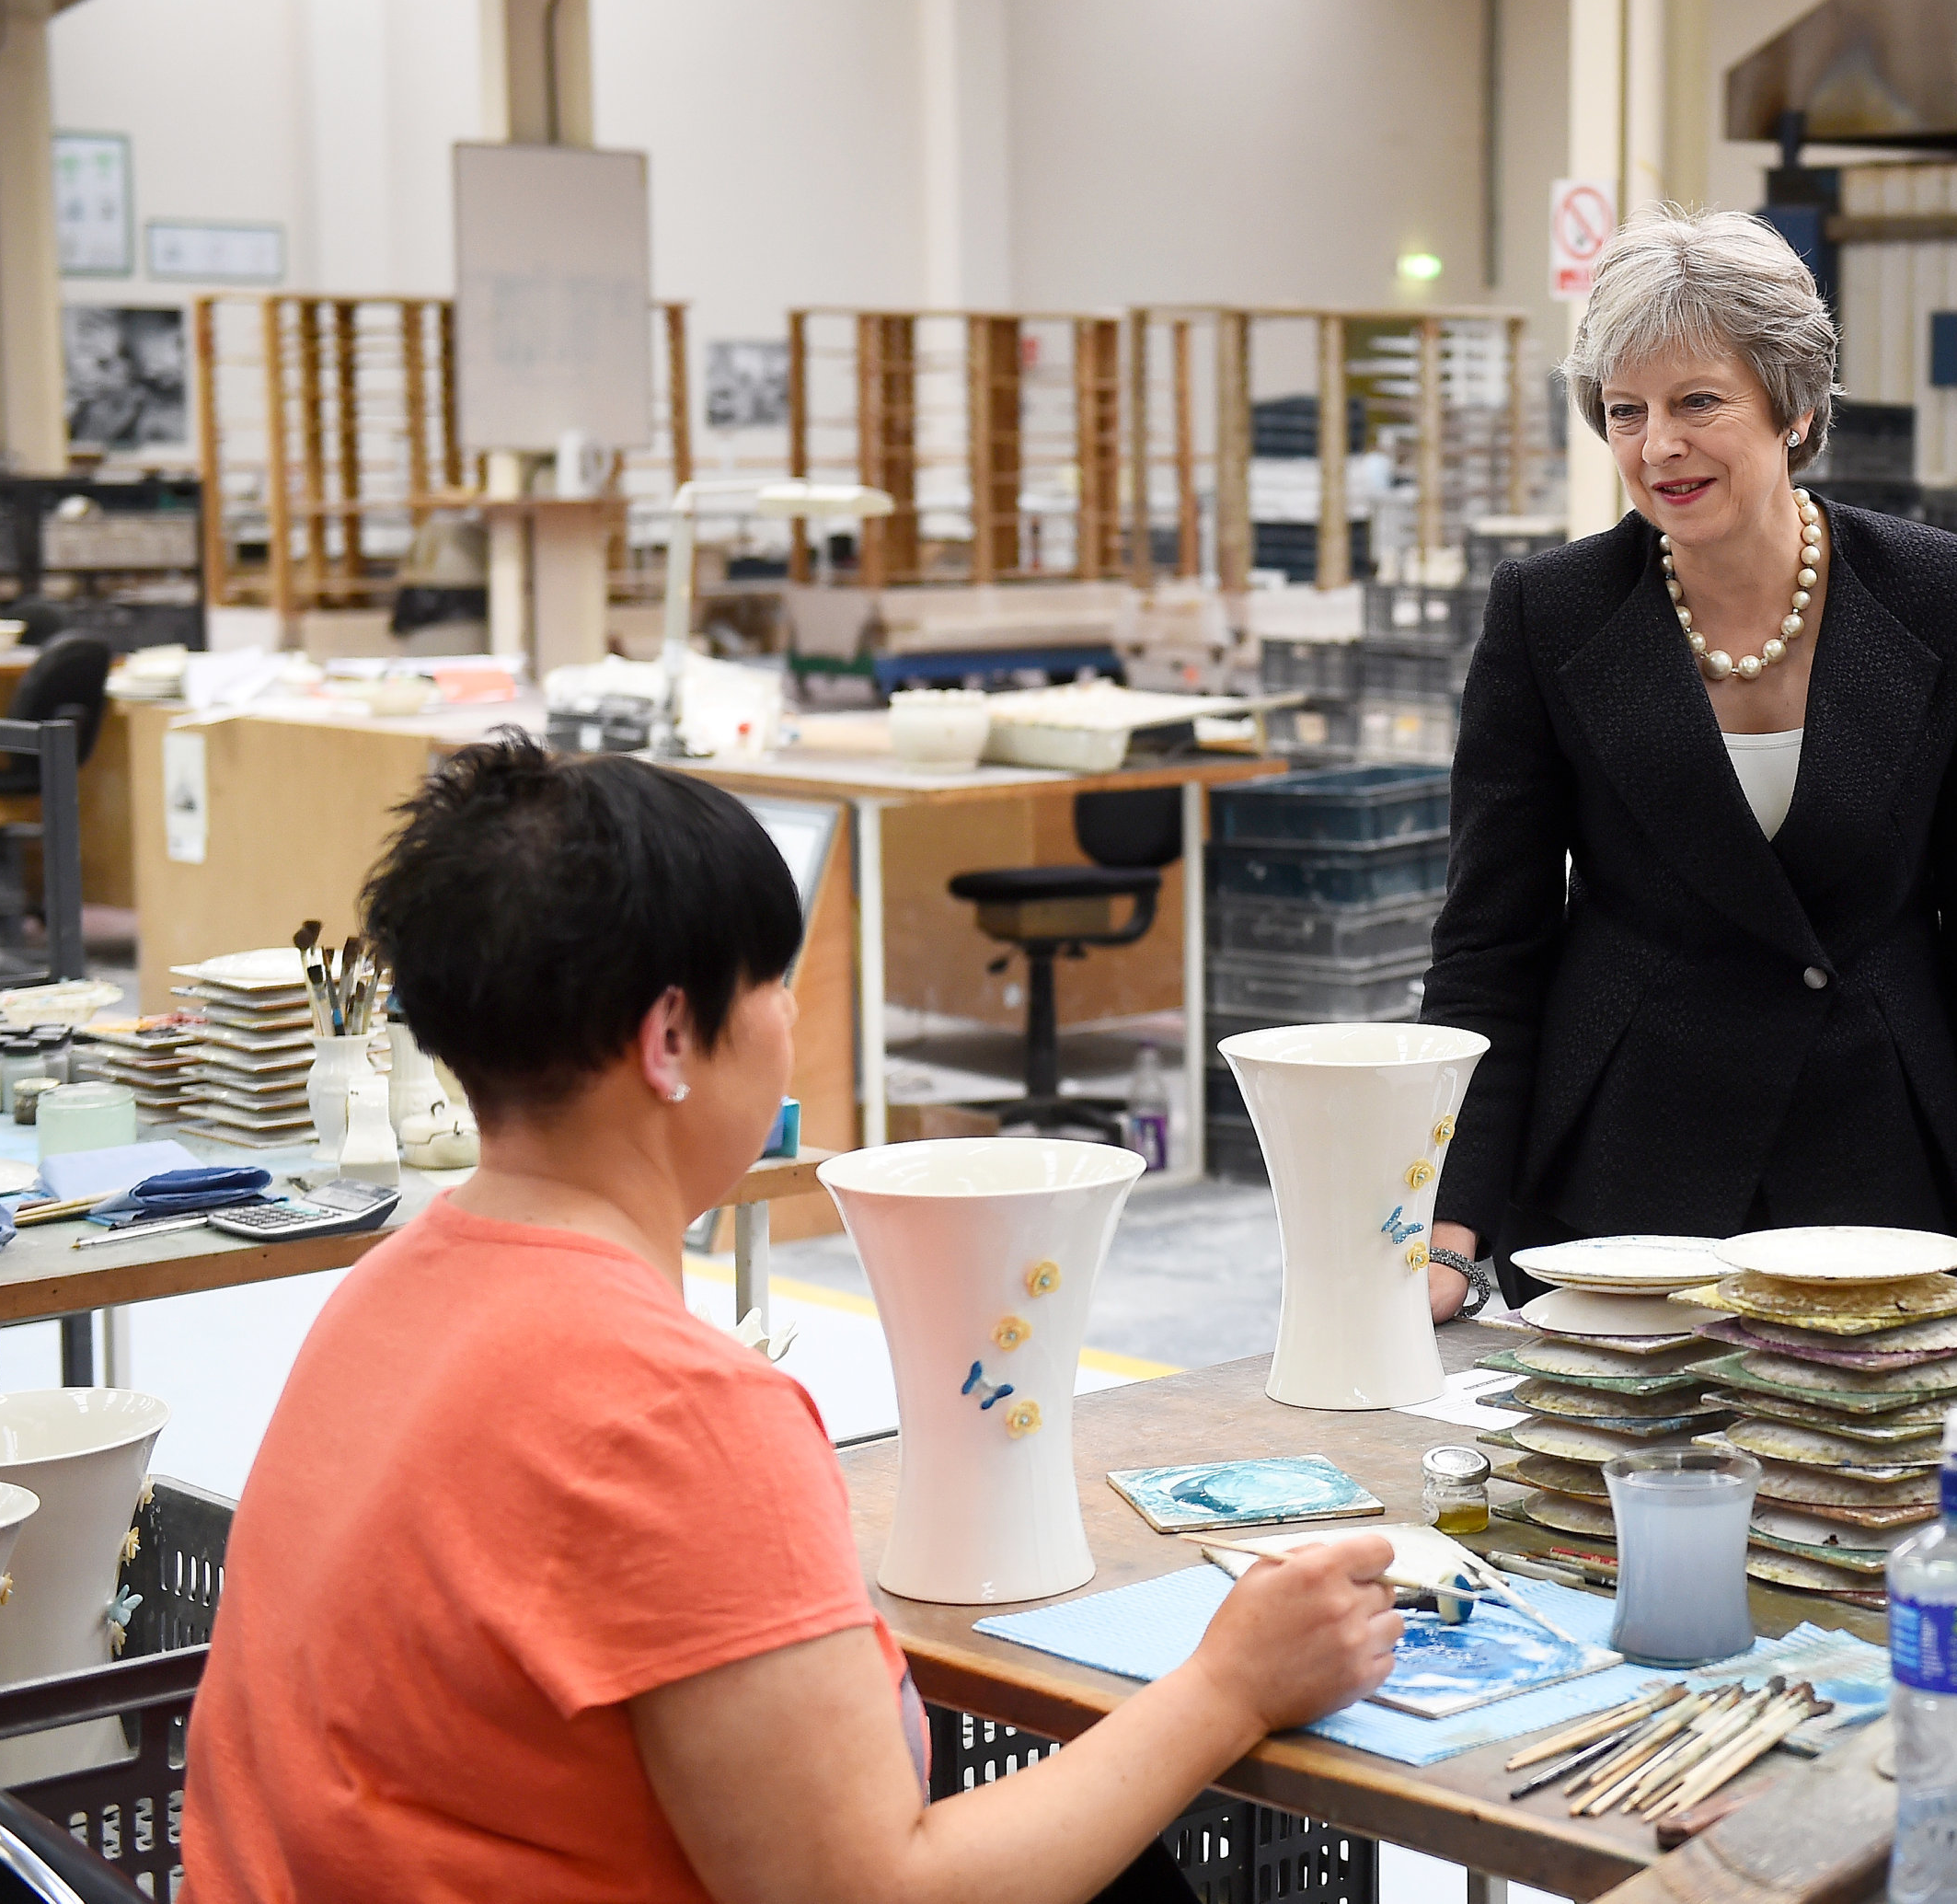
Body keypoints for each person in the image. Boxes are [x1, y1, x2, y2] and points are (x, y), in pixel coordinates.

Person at [183, 736, 1400, 1903]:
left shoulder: (384, 1293)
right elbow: (874, 1885)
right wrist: (1231, 1685)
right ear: (669, 1039)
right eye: (770, 981)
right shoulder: (674, 1407)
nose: (783, 1017)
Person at [1417, 205, 1957, 1320]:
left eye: (1696, 402)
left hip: (1876, 1163)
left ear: (1794, 406)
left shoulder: (1954, 599)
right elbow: (1487, 948)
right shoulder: (1547, 614)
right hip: (1620, 1170)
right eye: (1625, 411)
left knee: (1855, 1488)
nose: (1657, 445)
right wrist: (1441, 1221)